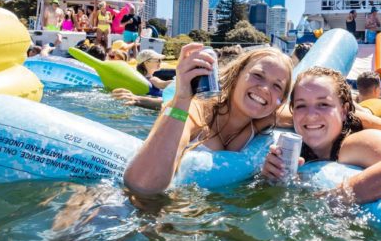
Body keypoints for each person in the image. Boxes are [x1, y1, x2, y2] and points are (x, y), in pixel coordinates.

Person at [261, 66, 381, 204]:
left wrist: (345, 194)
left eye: (324, 104)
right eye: (302, 105)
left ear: (344, 111)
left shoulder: (354, 144)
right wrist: (270, 177)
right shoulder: (299, 149)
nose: (311, 115)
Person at [124, 46, 294, 196]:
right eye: (258, 75)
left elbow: (310, 117)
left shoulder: (267, 116)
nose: (265, 89)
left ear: (281, 99)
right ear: (237, 74)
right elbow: (141, 185)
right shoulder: (196, 111)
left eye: (277, 86)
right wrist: (182, 98)